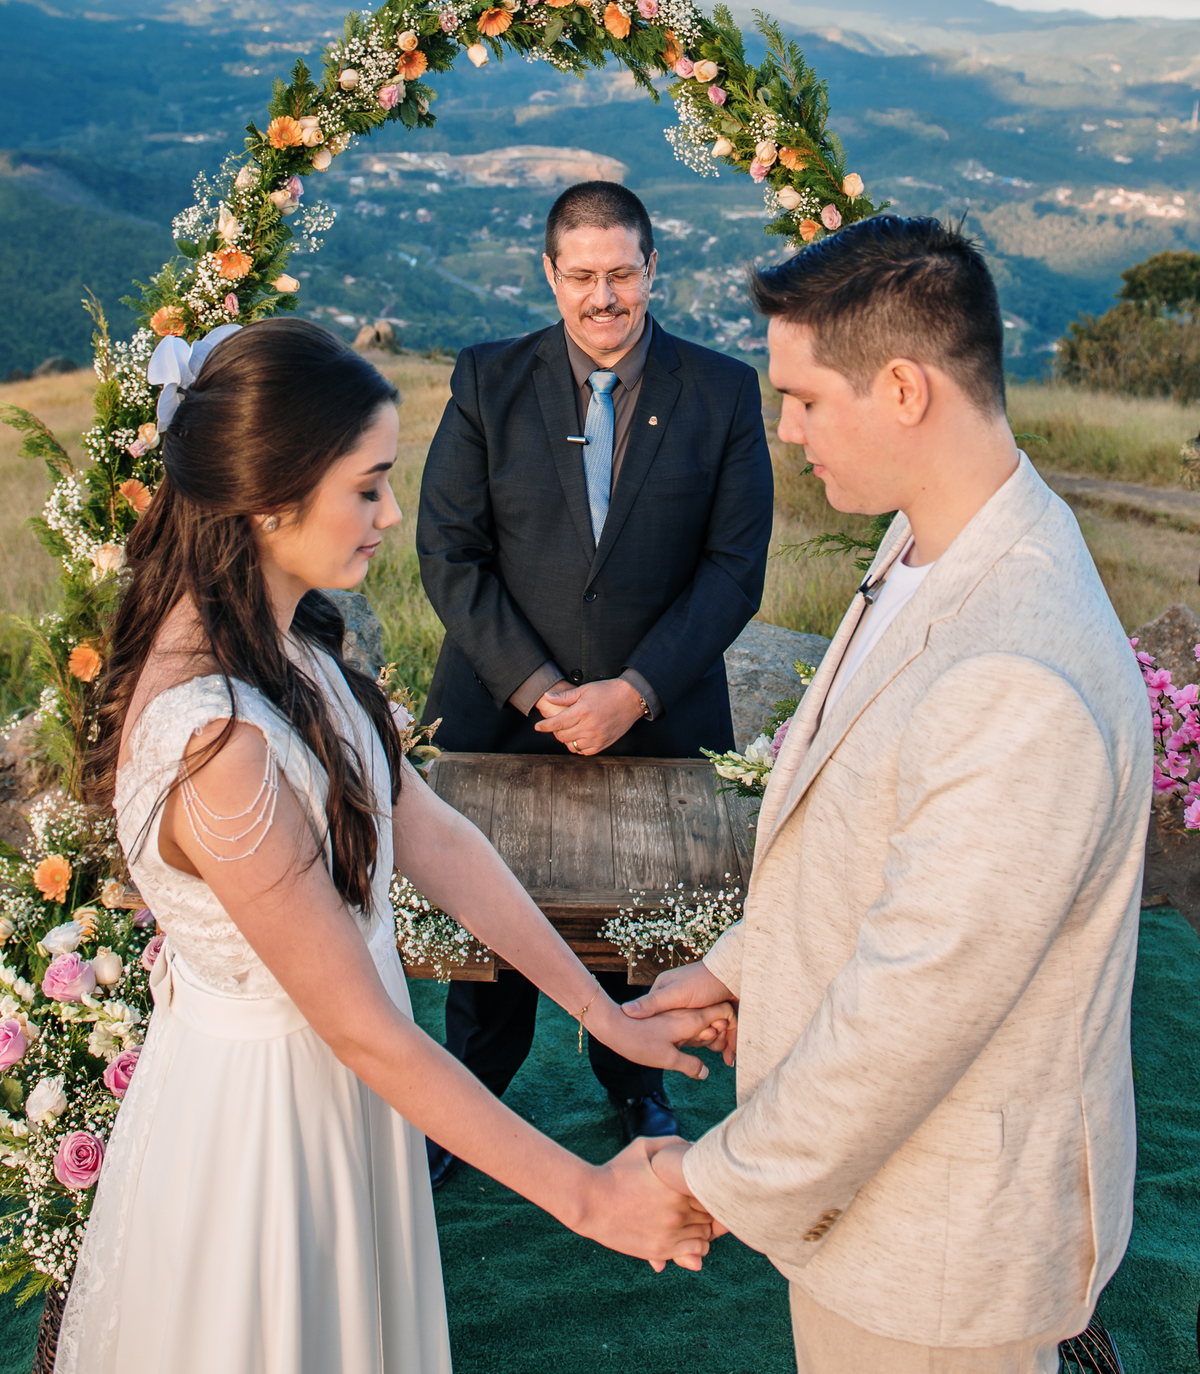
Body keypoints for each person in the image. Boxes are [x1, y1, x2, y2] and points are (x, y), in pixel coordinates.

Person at [56, 319, 732, 1374]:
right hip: (271, 1128)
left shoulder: (283, 638)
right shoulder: (217, 745)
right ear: (271, 497)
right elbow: (366, 1032)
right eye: (368, 486)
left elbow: (433, 833)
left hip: (348, 1090)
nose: (392, 514)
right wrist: (590, 1197)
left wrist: (600, 1005)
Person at [632, 216, 1152, 1373]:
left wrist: (708, 1182)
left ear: (905, 390)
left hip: (943, 1254)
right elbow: (867, 834)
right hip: (887, 1219)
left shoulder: (1020, 670)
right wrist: (739, 970)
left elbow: (918, 1004)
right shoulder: (927, 543)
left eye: (807, 398)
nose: (786, 427)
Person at [416, 180, 773, 1179]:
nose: (602, 297)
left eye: (622, 273)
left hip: (655, 719)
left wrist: (635, 689)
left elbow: (734, 568)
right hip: (499, 709)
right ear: (549, 274)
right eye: (582, 276)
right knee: (487, 923)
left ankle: (637, 1084)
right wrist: (538, 688)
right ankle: (469, 1100)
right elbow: (449, 551)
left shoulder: (723, 391)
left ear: (653, 269)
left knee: (639, 925)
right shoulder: (489, 381)